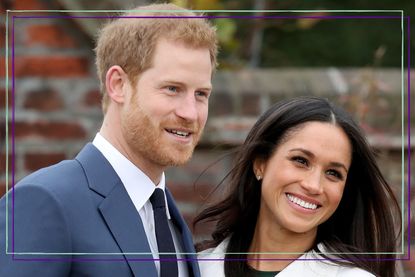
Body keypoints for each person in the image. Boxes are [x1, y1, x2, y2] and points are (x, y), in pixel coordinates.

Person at [0, 3, 217, 277]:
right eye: (172, 89)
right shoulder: (45, 201)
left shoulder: (170, 220)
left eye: (201, 94)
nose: (190, 113)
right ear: (118, 84)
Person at [195, 96, 401, 277]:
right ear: (260, 164)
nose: (313, 186)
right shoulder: (194, 267)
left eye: (333, 173)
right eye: (301, 161)